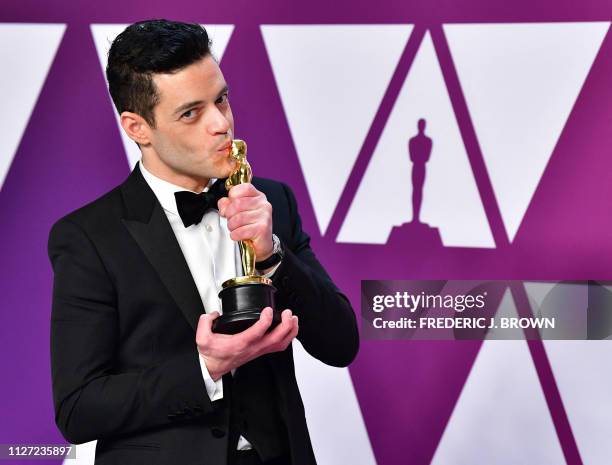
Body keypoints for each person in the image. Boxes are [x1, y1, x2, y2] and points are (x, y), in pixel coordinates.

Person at [48, 19, 359, 465]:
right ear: (137, 127)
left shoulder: (273, 202)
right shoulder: (88, 237)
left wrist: (271, 251)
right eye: (191, 113)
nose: (221, 124)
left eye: (222, 99)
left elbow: (340, 343)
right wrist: (206, 368)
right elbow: (79, 409)